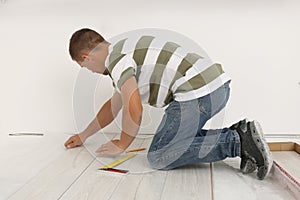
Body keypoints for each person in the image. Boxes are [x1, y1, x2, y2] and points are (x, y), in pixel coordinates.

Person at [64, 28, 272, 180]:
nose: (90, 71)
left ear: (86, 57)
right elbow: (113, 107)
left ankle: (237, 142)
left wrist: (122, 143)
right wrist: (83, 135)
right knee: (175, 142)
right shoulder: (123, 52)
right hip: (216, 87)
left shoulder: (117, 61)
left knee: (159, 155)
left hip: (198, 93)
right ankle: (241, 133)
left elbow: (134, 109)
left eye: (84, 66)